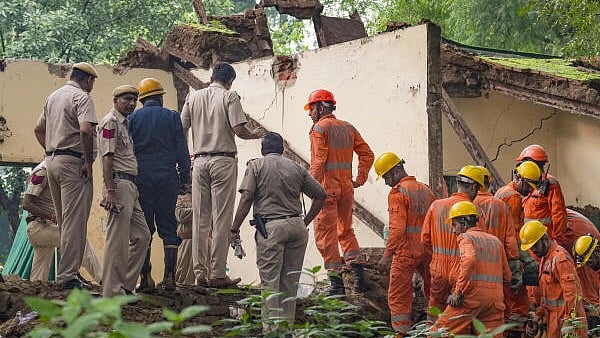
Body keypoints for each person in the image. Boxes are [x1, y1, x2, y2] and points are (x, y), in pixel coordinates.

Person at [181, 62, 265, 288]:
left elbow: (182, 128)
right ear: (230, 81)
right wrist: (253, 134)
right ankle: (217, 273)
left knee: (200, 218)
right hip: (223, 160)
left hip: (199, 160)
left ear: (211, 77)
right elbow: (239, 129)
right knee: (221, 218)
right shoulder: (230, 97)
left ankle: (200, 272)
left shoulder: (194, 97)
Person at [230, 132, 326, 326]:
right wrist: (304, 222)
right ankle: (286, 329)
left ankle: (272, 330)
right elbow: (321, 195)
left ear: (263, 149)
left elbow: (247, 198)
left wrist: (234, 228)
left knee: (270, 284)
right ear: (282, 149)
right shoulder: (296, 167)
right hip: (297, 227)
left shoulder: (256, 165)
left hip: (271, 228)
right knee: (290, 284)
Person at [33, 62, 98, 289]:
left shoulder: (53, 97)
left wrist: (51, 151)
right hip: (73, 163)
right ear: (88, 80)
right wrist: (88, 162)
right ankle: (67, 275)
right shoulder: (81, 97)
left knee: (64, 221)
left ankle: (70, 271)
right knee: (75, 221)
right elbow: (85, 129)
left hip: (52, 160)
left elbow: (38, 129)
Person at [304, 89, 374, 295]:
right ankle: (359, 279)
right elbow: (367, 154)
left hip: (327, 190)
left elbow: (319, 161)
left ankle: (336, 286)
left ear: (321, 107)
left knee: (326, 234)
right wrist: (359, 179)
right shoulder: (348, 127)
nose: (309, 114)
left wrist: (309, 186)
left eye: (311, 108)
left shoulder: (319, 129)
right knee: (346, 230)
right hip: (346, 189)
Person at [128, 78, 190, 292]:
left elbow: (128, 151)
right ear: (161, 97)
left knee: (144, 227)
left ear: (141, 99)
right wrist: (184, 180)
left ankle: (146, 279)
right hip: (167, 176)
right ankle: (170, 277)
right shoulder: (172, 117)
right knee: (168, 225)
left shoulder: (133, 118)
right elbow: (182, 151)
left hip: (141, 177)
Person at [97, 85, 151, 297]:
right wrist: (110, 190)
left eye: (134, 100)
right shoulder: (110, 121)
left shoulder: (125, 123)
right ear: (115, 100)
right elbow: (107, 158)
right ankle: (111, 292)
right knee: (117, 240)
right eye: (127, 99)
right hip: (118, 185)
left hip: (130, 185)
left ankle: (126, 286)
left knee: (142, 236)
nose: (131, 103)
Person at [374, 152, 435, 336]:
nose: (385, 182)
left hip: (406, 251)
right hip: (428, 249)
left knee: (398, 295)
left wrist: (386, 256)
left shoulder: (397, 193)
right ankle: (437, 328)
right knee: (434, 290)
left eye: (386, 176)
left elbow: (397, 229)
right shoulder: (425, 190)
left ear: (397, 170)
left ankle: (402, 333)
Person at [430, 201, 510, 335]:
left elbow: (470, 260)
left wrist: (458, 291)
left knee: (438, 332)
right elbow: (507, 275)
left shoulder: (466, 237)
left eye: (454, 225)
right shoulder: (496, 241)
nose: (453, 230)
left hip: (471, 298)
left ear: (464, 223)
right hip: (494, 303)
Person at [421, 165, 485, 319]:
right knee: (459, 315)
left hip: (438, 269)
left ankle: (431, 334)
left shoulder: (436, 206)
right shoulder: (474, 211)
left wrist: (435, 260)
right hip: (461, 270)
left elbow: (425, 239)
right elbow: (478, 242)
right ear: (473, 187)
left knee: (435, 309)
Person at [22, 160, 102, 284]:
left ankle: (36, 293)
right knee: (78, 240)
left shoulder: (56, 171)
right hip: (39, 227)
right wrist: (51, 216)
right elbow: (27, 203)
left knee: (39, 276)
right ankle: (104, 279)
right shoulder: (42, 171)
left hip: (44, 228)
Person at [520, 220, 587, 338]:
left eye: (535, 245)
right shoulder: (545, 259)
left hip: (567, 320)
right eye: (531, 247)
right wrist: (539, 314)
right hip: (555, 320)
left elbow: (573, 293)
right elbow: (549, 296)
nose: (533, 250)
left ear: (544, 238)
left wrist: (568, 322)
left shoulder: (560, 258)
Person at [494, 161, 542, 321]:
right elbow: (513, 233)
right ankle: (518, 317)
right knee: (516, 285)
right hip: (508, 250)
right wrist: (524, 260)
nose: (529, 190)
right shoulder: (513, 198)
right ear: (518, 178)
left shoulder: (502, 192)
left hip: (498, 248)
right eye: (528, 185)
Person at [473, 166, 521, 320]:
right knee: (499, 309)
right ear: (488, 183)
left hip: (472, 263)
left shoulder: (467, 203)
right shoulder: (500, 205)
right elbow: (510, 239)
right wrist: (514, 263)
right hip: (497, 265)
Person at [518, 145, 568, 248]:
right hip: (529, 240)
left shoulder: (550, 183)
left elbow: (559, 214)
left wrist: (558, 241)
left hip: (544, 242)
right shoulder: (523, 181)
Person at [175, 191, 195, 285]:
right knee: (183, 274)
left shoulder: (208, 196)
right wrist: (199, 209)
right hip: (187, 242)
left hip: (205, 242)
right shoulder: (181, 198)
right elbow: (180, 215)